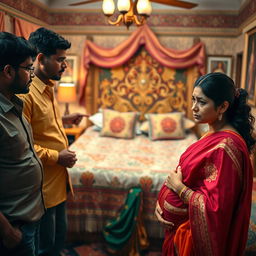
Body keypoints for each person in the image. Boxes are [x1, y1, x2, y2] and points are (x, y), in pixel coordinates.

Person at [155, 72, 255, 256]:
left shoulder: (227, 147)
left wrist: (178, 188)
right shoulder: (212, 133)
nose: (193, 107)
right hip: (179, 229)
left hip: (191, 240)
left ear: (223, 106)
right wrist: (162, 205)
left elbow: (216, 209)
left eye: (202, 102)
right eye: (193, 99)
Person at [19, 27, 85, 256]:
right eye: (60, 60)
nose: (65, 65)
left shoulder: (48, 87)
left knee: (58, 243)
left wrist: (64, 119)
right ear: (40, 58)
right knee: (45, 248)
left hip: (59, 183)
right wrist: (58, 156)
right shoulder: (25, 94)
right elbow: (24, 146)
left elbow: (42, 126)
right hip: (42, 188)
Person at [0, 32, 45, 256]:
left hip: (29, 218)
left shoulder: (15, 104)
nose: (32, 76)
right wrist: (7, 231)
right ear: (8, 71)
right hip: (11, 229)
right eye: (28, 69)